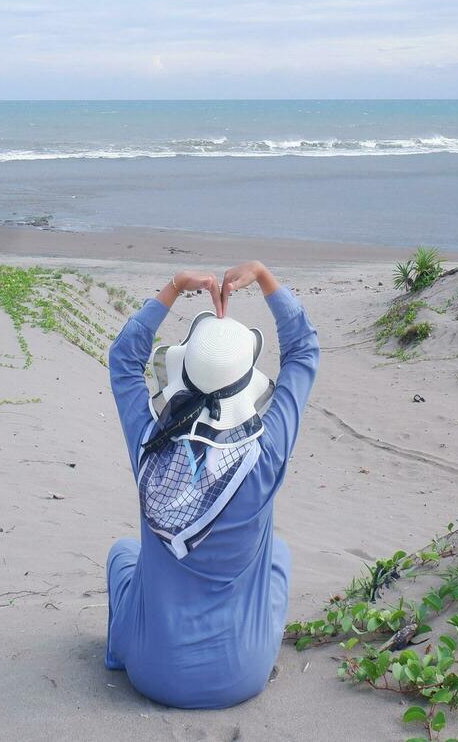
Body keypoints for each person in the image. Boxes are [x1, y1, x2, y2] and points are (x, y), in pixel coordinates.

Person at [104, 260, 320, 709]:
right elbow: (304, 351)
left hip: (151, 671)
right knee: (276, 554)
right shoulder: (266, 451)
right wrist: (264, 276)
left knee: (125, 554)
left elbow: (123, 360)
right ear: (246, 386)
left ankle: (118, 653)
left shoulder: (149, 444)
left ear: (184, 376)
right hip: (244, 674)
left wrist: (174, 287)